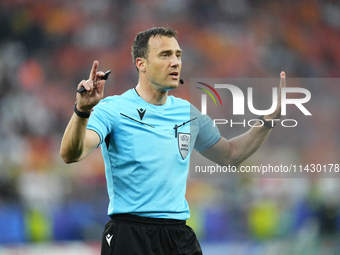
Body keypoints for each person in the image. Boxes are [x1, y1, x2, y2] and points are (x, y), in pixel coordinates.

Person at [60, 27, 285, 255]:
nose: (175, 62)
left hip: (178, 235)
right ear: (141, 64)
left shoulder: (189, 114)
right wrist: (81, 111)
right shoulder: (113, 109)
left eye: (178, 55)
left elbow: (230, 154)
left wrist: (267, 121)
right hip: (130, 234)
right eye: (165, 55)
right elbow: (71, 154)